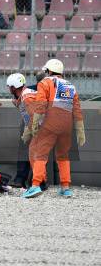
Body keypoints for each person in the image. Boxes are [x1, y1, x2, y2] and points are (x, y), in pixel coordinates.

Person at [22, 59, 85, 198]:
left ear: (49, 71)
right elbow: (77, 109)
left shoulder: (45, 82)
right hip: (66, 126)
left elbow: (41, 104)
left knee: (40, 154)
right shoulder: (70, 86)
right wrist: (80, 130)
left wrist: (34, 124)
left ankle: (35, 185)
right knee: (63, 156)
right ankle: (65, 187)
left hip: (50, 125)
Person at [6, 72, 48, 190]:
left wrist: (31, 131)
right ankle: (40, 182)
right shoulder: (24, 95)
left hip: (39, 127)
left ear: (14, 87)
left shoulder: (26, 97)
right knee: (34, 155)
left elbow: (34, 115)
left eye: (9, 86)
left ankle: (41, 183)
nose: (8, 89)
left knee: (35, 155)